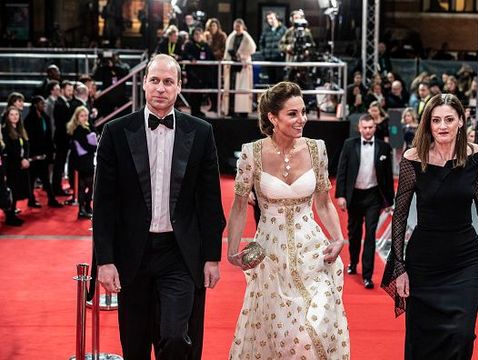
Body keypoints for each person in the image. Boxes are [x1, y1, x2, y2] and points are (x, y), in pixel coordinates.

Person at [92, 54, 225, 359]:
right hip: (131, 253)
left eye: (168, 81)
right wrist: (105, 259)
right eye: (155, 80)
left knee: (177, 337)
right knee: (135, 344)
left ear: (179, 86)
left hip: (179, 253)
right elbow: (104, 204)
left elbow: (209, 201)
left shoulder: (200, 132)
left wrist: (211, 257)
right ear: (145, 83)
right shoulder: (116, 132)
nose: (161, 88)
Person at [381, 93, 478, 359]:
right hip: (424, 262)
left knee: (462, 335)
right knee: (423, 339)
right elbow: (400, 215)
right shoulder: (413, 158)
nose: (442, 126)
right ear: (428, 124)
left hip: (464, 261)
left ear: (461, 122)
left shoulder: (474, 156)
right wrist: (400, 267)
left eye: (449, 119)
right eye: (436, 120)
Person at [228, 81, 350, 358]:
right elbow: (238, 206)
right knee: (283, 336)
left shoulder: (317, 149)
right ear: (273, 117)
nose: (302, 119)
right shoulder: (252, 153)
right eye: (292, 114)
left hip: (314, 253)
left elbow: (324, 201)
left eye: (303, 111)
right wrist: (232, 249)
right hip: (270, 257)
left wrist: (338, 238)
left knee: (317, 324)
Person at [335, 114, 394, 289]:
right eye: (365, 127)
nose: (368, 130)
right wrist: (341, 195)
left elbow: (388, 176)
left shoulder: (384, 147)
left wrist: (389, 201)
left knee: (370, 235)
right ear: (359, 128)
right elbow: (342, 171)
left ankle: (368, 276)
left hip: (373, 197)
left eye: (371, 127)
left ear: (375, 128)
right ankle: (353, 262)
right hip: (354, 195)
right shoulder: (349, 145)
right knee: (354, 233)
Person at [24, 96, 63, 209]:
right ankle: (32, 200)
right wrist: (33, 155)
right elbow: (30, 138)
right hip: (34, 155)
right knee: (32, 179)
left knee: (45, 178)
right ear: (35, 104)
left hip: (44, 154)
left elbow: (48, 136)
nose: (44, 105)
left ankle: (51, 199)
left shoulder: (45, 117)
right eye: (41, 103)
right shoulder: (29, 119)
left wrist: (50, 151)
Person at [2, 106, 31, 226]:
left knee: (16, 190)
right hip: (11, 166)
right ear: (7, 117)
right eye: (12, 115)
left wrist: (26, 158)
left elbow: (26, 146)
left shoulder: (20, 130)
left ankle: (12, 212)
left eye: (17, 115)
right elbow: (8, 150)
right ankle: (9, 216)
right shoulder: (5, 131)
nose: (15, 117)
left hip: (20, 165)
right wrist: (21, 160)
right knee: (11, 190)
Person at [66, 106, 96, 219]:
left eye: (86, 116)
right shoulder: (78, 129)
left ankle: (87, 207)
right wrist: (95, 147)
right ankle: (82, 209)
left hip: (87, 160)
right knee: (83, 186)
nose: (84, 118)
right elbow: (87, 146)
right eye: (82, 116)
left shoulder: (87, 126)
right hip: (80, 162)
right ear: (77, 117)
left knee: (91, 185)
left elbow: (94, 136)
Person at [222, 19, 256, 117]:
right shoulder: (231, 37)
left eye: (238, 26)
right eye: (235, 26)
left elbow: (251, 50)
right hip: (233, 66)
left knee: (243, 88)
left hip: (243, 67)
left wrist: (240, 57)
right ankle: (231, 110)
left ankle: (243, 111)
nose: (237, 28)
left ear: (242, 26)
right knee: (231, 88)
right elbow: (227, 52)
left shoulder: (246, 38)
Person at [183, 27, 215, 118]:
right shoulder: (189, 44)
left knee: (200, 93)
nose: (198, 36)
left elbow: (211, 56)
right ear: (193, 35)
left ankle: (198, 110)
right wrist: (191, 58)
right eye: (196, 34)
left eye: (199, 34)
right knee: (194, 93)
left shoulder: (205, 45)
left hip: (203, 73)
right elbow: (185, 54)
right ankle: (194, 110)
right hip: (193, 73)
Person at [258, 11, 286, 85]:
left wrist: (282, 53)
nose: (270, 20)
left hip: (279, 59)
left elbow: (286, 43)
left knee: (279, 79)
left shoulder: (283, 29)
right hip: (268, 59)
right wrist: (264, 53)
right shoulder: (266, 31)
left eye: (271, 18)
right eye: (268, 19)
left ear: (276, 18)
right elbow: (261, 43)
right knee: (270, 79)